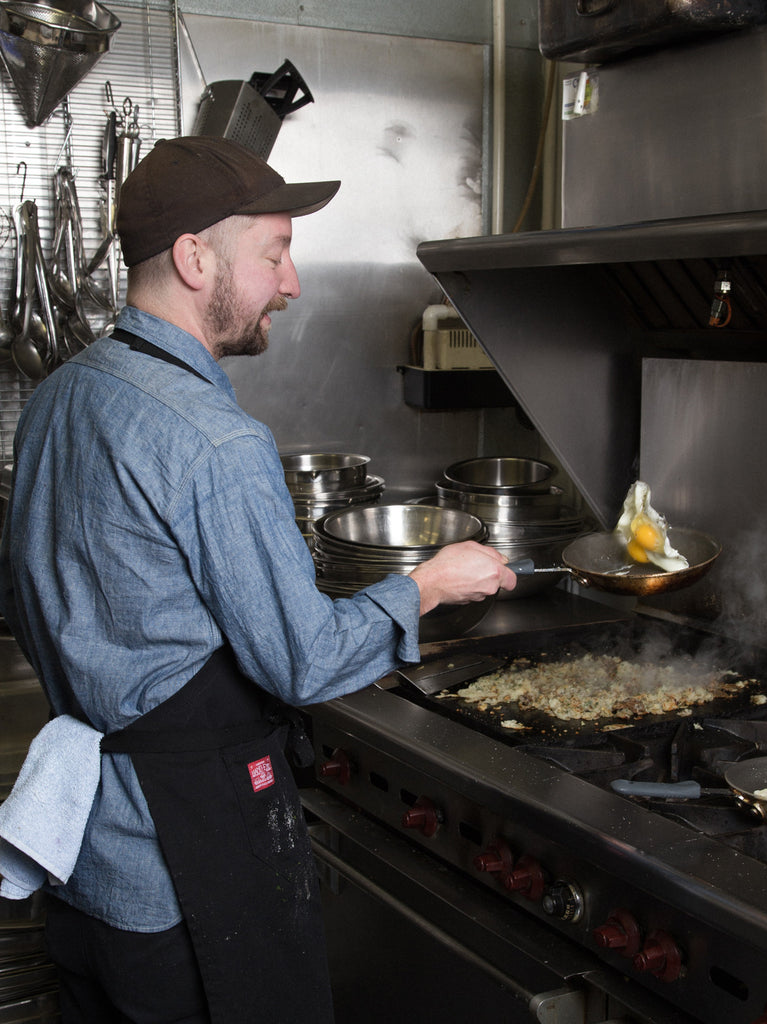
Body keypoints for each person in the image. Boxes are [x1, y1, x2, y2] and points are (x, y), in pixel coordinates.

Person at [0, 136, 516, 1024]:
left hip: (87, 856)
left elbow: (27, 596)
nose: (293, 282)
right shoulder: (215, 441)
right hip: (186, 872)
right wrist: (428, 585)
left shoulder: (58, 396)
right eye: (274, 253)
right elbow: (302, 662)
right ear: (196, 260)